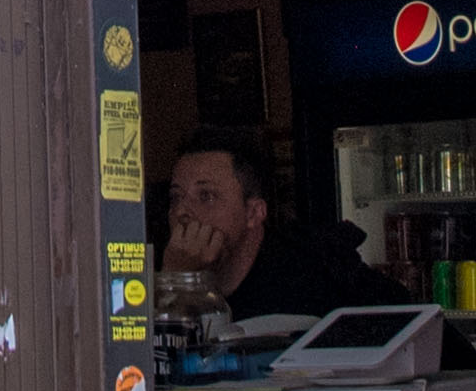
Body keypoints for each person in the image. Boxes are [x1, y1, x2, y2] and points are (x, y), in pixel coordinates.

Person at [164, 133, 386, 327]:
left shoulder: (312, 276)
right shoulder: (168, 269)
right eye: (175, 197)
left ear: (253, 213)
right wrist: (174, 281)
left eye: (206, 196)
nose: (181, 211)